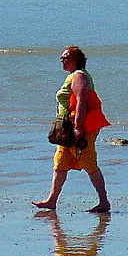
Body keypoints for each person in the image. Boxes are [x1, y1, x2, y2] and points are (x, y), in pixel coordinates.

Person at [33, 46, 111, 213]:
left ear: (76, 59)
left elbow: (82, 101)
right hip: (67, 127)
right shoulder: (73, 76)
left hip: (79, 126)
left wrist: (78, 127)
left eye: (65, 57)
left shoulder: (79, 76)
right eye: (61, 57)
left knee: (88, 162)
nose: (62, 60)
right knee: (61, 162)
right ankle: (52, 200)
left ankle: (104, 201)